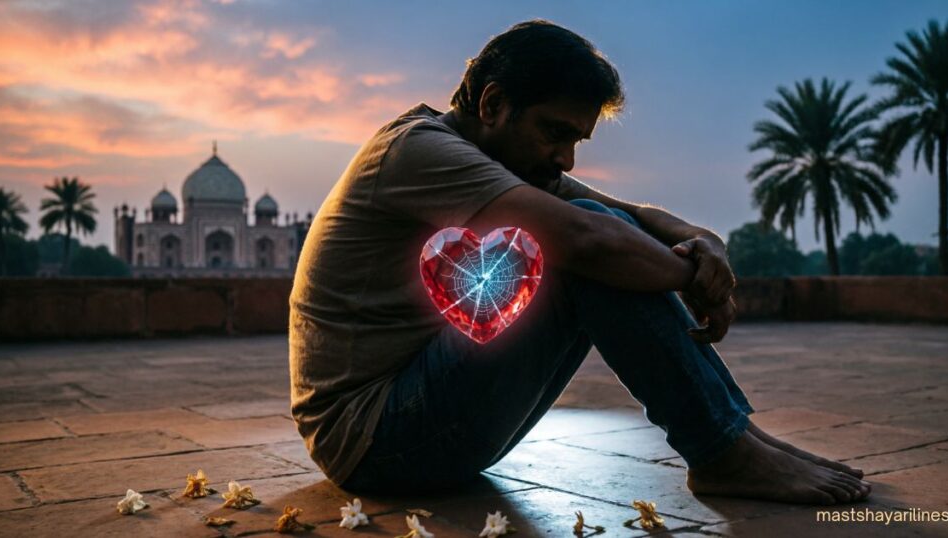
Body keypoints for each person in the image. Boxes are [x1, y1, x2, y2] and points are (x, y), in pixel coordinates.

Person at [289, 19, 872, 505]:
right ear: (493, 104)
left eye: (578, 142)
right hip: (374, 441)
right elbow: (592, 239)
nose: (564, 157)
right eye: (554, 132)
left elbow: (623, 213)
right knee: (580, 251)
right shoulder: (417, 151)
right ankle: (722, 451)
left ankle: (734, 435)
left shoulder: (495, 159)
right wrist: (697, 280)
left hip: (413, 424)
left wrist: (700, 238)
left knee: (597, 230)